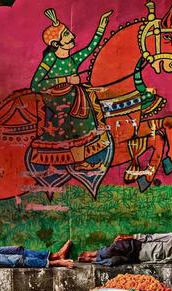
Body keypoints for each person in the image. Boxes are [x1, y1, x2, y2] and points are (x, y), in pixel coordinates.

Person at [29, 8, 113, 171]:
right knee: (76, 114)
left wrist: (101, 27)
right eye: (66, 34)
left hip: (73, 94)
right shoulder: (51, 58)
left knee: (90, 97)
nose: (72, 36)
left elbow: (90, 48)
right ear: (56, 43)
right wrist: (66, 79)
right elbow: (36, 84)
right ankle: (79, 162)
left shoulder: (72, 59)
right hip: (56, 97)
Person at [78, 232, 172, 266]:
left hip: (136, 259)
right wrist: (129, 237)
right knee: (111, 250)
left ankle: (94, 260)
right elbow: (150, 237)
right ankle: (93, 253)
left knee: (113, 261)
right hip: (136, 245)